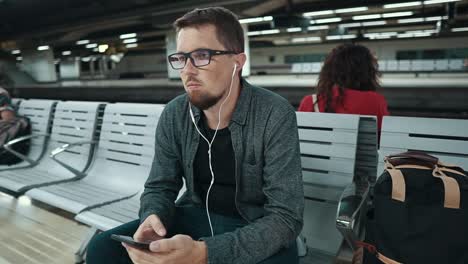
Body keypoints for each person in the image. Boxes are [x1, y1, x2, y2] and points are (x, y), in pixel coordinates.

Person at [86, 7, 303, 264]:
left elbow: (285, 217)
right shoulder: (176, 113)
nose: (187, 71)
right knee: (102, 249)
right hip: (193, 216)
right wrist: (153, 218)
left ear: (238, 62)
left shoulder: (273, 114)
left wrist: (205, 253)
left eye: (202, 56)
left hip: (255, 227)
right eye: (181, 58)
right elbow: (160, 186)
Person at [298, 43, 389, 133]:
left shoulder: (310, 102)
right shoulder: (375, 101)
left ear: (329, 70)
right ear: (367, 72)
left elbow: (298, 138)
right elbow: (383, 138)